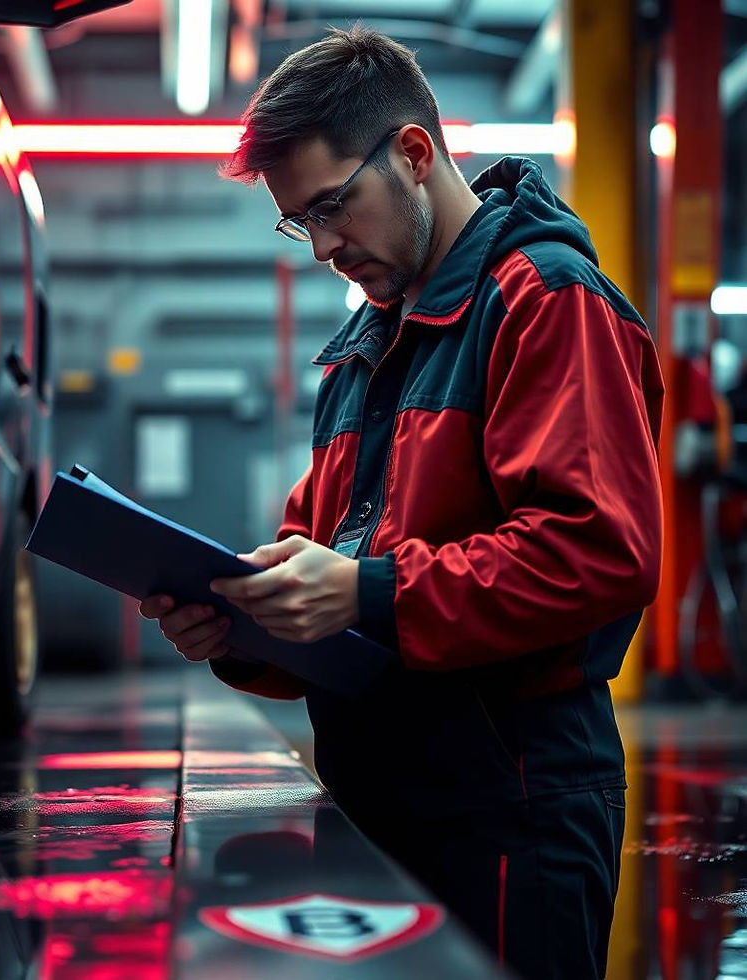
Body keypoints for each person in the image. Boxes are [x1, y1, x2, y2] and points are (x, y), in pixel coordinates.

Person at [140, 26, 663, 980]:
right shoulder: (370, 348)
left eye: (335, 205)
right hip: (376, 795)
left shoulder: (543, 301)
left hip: (511, 802)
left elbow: (600, 551)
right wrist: (244, 624)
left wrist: (368, 594)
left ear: (414, 155)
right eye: (303, 222)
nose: (326, 246)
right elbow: (328, 557)